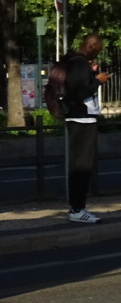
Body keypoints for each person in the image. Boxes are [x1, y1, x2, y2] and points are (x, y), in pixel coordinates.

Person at [56, 33, 109, 223]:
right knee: (81, 166)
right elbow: (80, 92)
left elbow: (78, 86)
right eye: (99, 50)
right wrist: (98, 80)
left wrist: (92, 74)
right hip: (82, 119)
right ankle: (77, 209)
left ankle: (78, 208)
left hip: (79, 118)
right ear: (92, 46)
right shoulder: (79, 63)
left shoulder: (75, 62)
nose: (98, 54)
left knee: (82, 165)